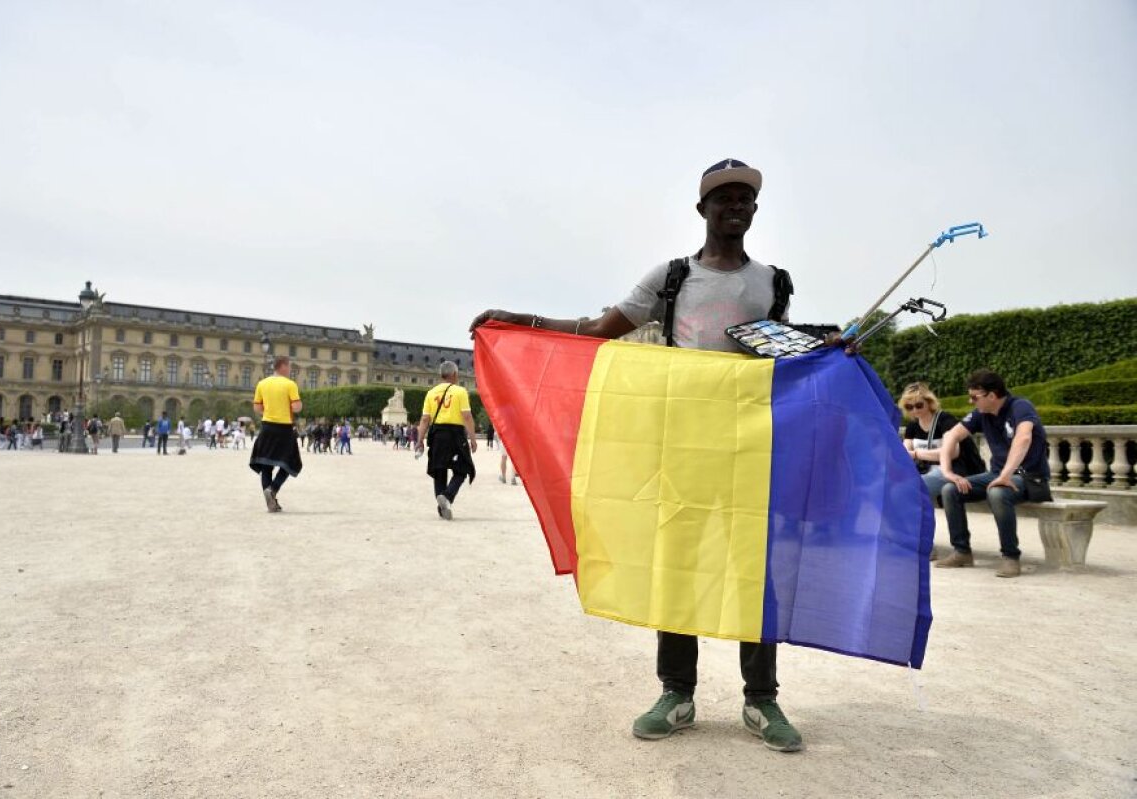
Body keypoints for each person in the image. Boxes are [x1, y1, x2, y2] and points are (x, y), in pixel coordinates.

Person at [470, 158, 826, 752]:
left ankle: (761, 699)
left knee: (753, 569)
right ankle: (677, 692)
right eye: (724, 198)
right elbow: (597, 328)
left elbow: (781, 358)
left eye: (745, 198)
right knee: (679, 564)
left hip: (750, 447)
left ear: (755, 210)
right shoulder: (672, 278)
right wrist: (521, 320)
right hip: (680, 443)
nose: (735, 206)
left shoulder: (775, 283)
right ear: (703, 210)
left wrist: (824, 347)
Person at [934, 369, 1051, 578]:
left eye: (974, 397)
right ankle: (961, 551)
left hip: (1031, 477)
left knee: (997, 492)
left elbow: (1023, 438)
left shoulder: (1020, 407)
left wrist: (1006, 474)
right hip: (998, 474)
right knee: (950, 489)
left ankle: (1010, 557)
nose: (971, 402)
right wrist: (947, 471)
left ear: (992, 395)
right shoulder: (982, 414)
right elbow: (951, 435)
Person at [899, 382, 985, 503]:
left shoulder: (944, 420)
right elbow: (905, 453)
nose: (914, 410)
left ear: (929, 403)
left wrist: (916, 454)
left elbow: (953, 452)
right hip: (928, 469)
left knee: (911, 489)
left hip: (954, 469)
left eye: (919, 405)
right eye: (909, 407)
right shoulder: (912, 425)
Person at [415, 361, 477, 520]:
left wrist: (420, 440)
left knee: (439, 471)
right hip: (455, 434)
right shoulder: (460, 391)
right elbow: (467, 416)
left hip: (436, 434)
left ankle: (442, 509)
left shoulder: (431, 393)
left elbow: (424, 419)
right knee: (463, 469)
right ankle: (447, 497)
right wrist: (473, 438)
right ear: (455, 375)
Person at [248, 355, 304, 512]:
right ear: (283, 366)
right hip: (284, 429)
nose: (290, 369)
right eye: (290, 366)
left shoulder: (262, 384)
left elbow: (257, 408)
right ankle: (272, 489)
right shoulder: (290, 384)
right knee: (291, 463)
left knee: (266, 465)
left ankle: (271, 503)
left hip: (267, 427)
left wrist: (270, 411)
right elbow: (296, 407)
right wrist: (298, 404)